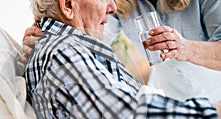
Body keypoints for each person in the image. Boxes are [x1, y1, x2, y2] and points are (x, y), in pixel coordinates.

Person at [26, 0, 221, 119]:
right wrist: (213, 116)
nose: (112, 8)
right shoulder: (63, 53)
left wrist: (188, 48)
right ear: (68, 5)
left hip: (197, 107)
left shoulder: (64, 49)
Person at [22, 0, 221, 80]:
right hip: (170, 94)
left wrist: (187, 49)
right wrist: (47, 34)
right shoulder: (117, 3)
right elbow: (90, 34)